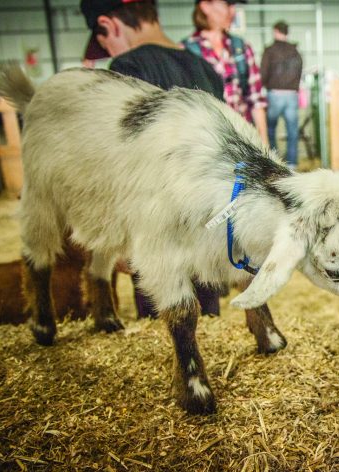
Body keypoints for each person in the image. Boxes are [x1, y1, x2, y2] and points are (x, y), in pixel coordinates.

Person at [80, 0, 223, 317]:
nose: (108, 48)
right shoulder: (207, 69)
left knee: (166, 323)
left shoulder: (127, 69)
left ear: (110, 25)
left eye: (104, 41)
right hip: (206, 227)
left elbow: (123, 157)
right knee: (209, 321)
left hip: (157, 232)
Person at [182, 0, 269, 145]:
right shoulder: (185, 52)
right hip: (205, 143)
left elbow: (256, 99)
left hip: (244, 141)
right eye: (228, 4)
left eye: (234, 6)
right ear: (205, 6)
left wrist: (264, 144)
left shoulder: (241, 48)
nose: (233, 11)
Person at [260, 20, 303, 169]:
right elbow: (299, 71)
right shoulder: (295, 51)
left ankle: (274, 161)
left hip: (275, 94)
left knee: (270, 128)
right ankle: (292, 164)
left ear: (276, 31)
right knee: (292, 131)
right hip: (292, 95)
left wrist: (266, 85)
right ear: (287, 32)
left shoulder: (269, 51)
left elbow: (263, 73)